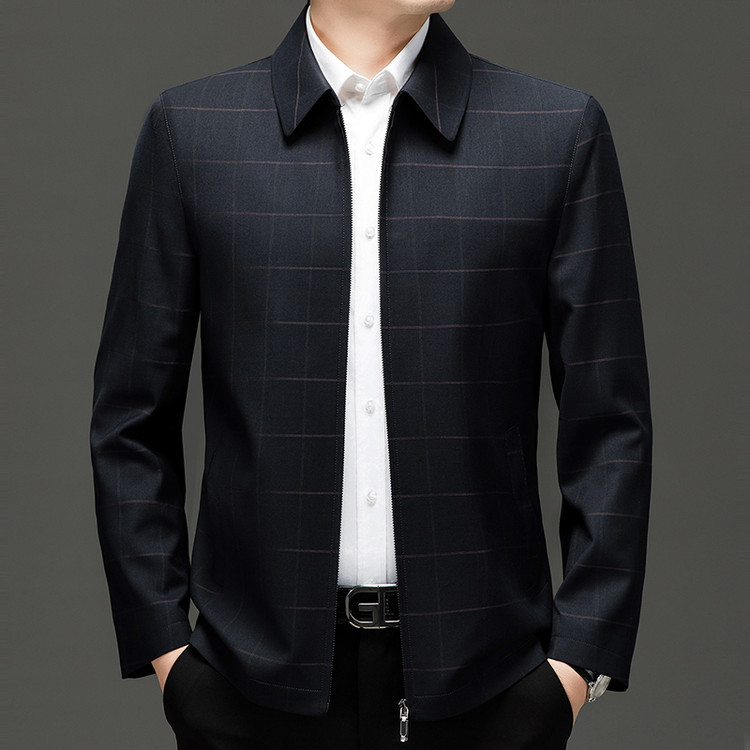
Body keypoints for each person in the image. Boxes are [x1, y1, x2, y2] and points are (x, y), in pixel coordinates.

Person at [90, 1, 653, 748]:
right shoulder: (193, 130)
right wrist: (168, 652)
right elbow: (131, 418)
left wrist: (577, 663)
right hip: (248, 685)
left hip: (489, 686)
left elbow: (610, 422)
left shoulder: (554, 130)